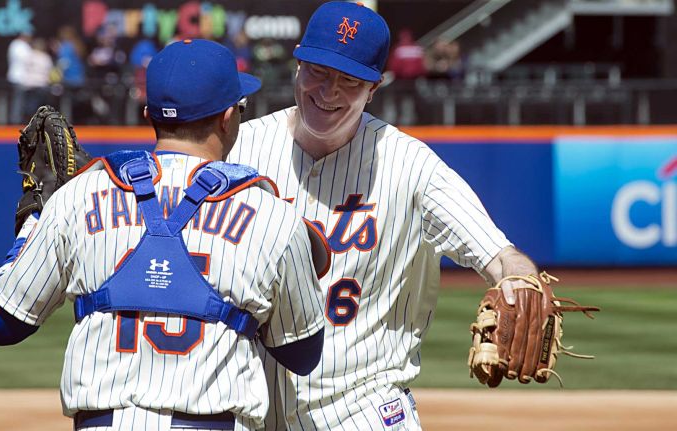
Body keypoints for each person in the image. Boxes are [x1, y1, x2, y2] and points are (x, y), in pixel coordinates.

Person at [0, 39, 328, 431]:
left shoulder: (80, 195)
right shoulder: (273, 216)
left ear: (148, 113)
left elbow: (4, 320)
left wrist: (36, 218)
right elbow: (302, 354)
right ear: (229, 115)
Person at [226, 2, 540, 430]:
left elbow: (500, 254)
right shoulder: (239, 151)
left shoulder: (412, 166)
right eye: (319, 70)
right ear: (298, 63)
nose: (329, 91)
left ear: (374, 88)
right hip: (253, 412)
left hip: (364, 412)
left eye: (349, 80)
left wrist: (519, 278)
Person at [7, 32, 32, 124]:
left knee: (21, 100)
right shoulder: (19, 45)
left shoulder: (15, 44)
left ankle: (19, 118)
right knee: (18, 100)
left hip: (21, 77)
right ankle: (15, 120)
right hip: (19, 77)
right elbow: (28, 59)